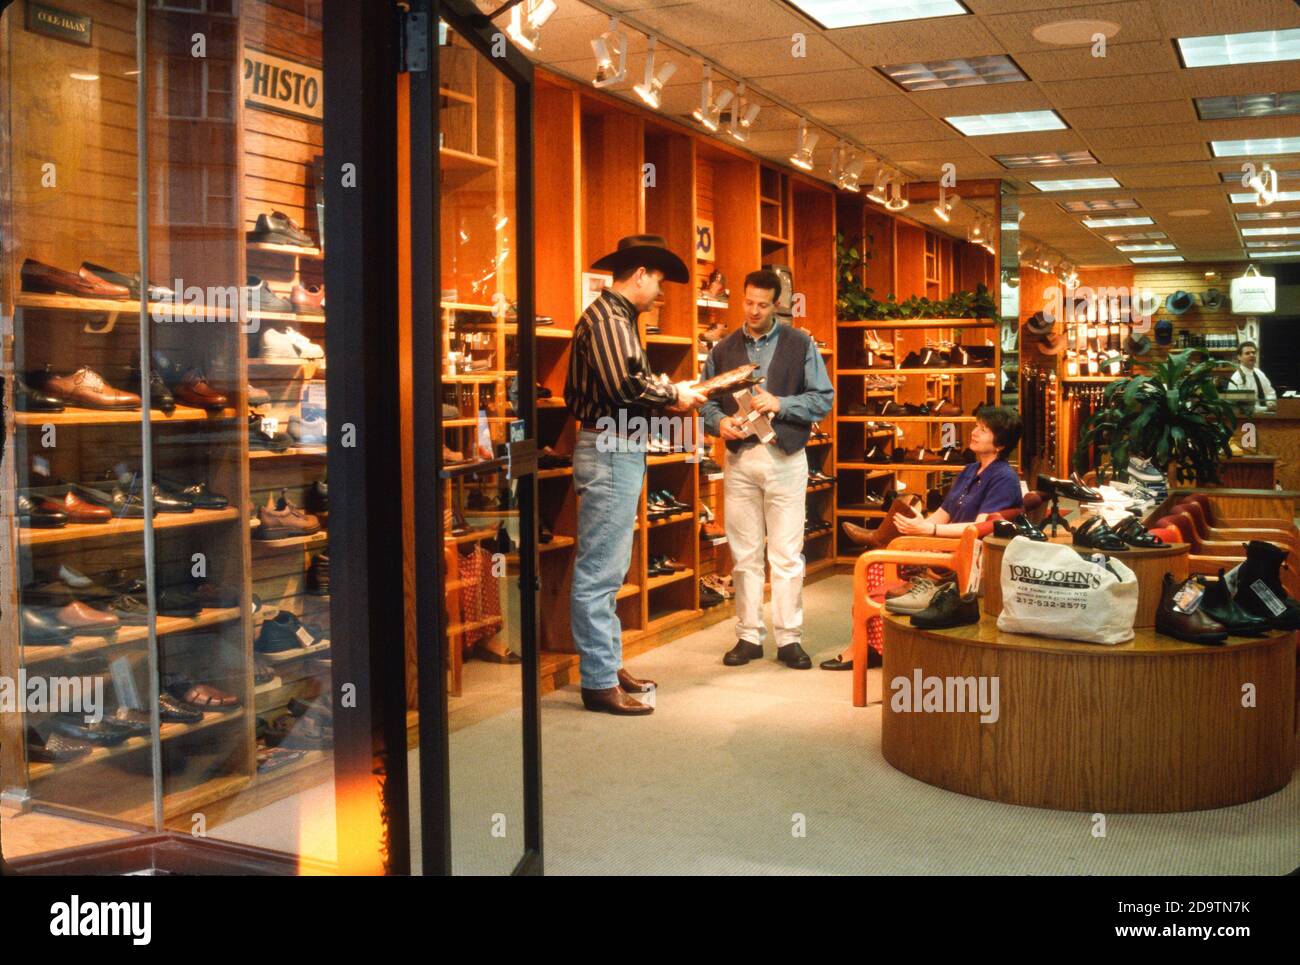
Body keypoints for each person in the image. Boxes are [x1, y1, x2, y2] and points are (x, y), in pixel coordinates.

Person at [564, 234, 705, 716]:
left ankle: (607, 665)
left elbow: (624, 384)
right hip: (610, 445)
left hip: (617, 443)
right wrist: (674, 396)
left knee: (610, 564)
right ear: (640, 275)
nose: (660, 292)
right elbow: (624, 385)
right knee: (601, 568)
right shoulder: (607, 320)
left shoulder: (615, 318)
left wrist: (668, 392)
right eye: (658, 280)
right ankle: (598, 681)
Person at [820, 406, 1024, 672]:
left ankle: (868, 646)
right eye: (976, 426)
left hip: (960, 555)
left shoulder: (1003, 478)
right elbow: (943, 513)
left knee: (874, 564)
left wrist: (929, 533)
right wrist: (920, 526)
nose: (973, 432)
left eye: (983, 430)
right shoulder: (970, 470)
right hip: (945, 545)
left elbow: (978, 529)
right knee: (900, 516)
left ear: (1000, 443)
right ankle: (870, 643)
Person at [700, 269, 834, 670]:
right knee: (744, 556)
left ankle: (790, 638)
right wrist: (717, 423)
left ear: (777, 304)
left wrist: (782, 404)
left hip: (785, 457)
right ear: (741, 299)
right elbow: (705, 400)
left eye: (762, 304)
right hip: (739, 459)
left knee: (787, 554)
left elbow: (822, 398)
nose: (754, 311)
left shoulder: (800, 343)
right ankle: (748, 635)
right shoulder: (723, 349)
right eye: (748, 303)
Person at [1227, 341, 1276, 412]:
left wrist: (1270, 403)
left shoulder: (1259, 373)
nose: (1252, 355)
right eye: (1247, 353)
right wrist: (1266, 409)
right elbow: (1243, 407)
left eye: (1253, 353)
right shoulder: (1236, 379)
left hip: (1268, 415)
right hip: (1248, 419)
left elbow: (1270, 392)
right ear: (1239, 357)